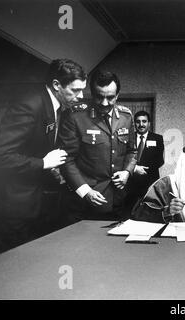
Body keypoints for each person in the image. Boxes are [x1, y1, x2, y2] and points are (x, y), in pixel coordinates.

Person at [0, 59, 87, 254]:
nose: (80, 96)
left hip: (35, 205)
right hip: (14, 209)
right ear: (56, 85)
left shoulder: (57, 107)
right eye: (75, 90)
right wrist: (43, 163)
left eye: (82, 90)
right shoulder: (30, 105)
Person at [58, 70, 136, 223]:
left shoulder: (126, 116)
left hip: (118, 200)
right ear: (92, 95)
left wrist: (127, 171)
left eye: (110, 97)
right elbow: (67, 159)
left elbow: (132, 151)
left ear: (117, 95)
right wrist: (85, 191)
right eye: (100, 97)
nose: (105, 103)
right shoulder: (75, 117)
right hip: (86, 203)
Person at [125, 110, 164, 212]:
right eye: (138, 122)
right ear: (134, 124)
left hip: (150, 182)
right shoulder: (128, 138)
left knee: (149, 212)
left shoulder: (157, 138)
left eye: (144, 121)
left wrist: (144, 170)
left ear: (149, 123)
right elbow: (123, 157)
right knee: (128, 211)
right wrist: (135, 169)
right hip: (130, 183)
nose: (141, 124)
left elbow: (160, 160)